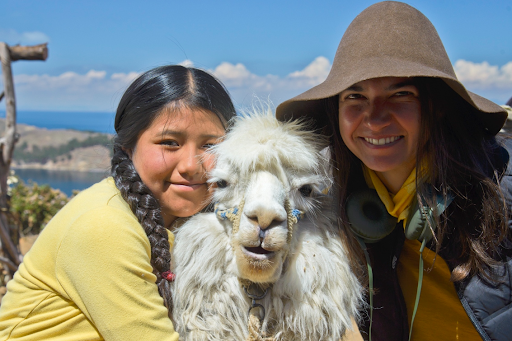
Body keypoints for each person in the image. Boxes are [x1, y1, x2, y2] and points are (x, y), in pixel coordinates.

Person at [276, 2, 512, 341]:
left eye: (400, 94)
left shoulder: (501, 192)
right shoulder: (337, 210)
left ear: (438, 106)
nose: (374, 118)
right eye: (355, 97)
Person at [0, 65, 236, 340]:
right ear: (129, 147)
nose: (190, 166)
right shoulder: (104, 226)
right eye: (170, 142)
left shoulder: (193, 222)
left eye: (210, 146)